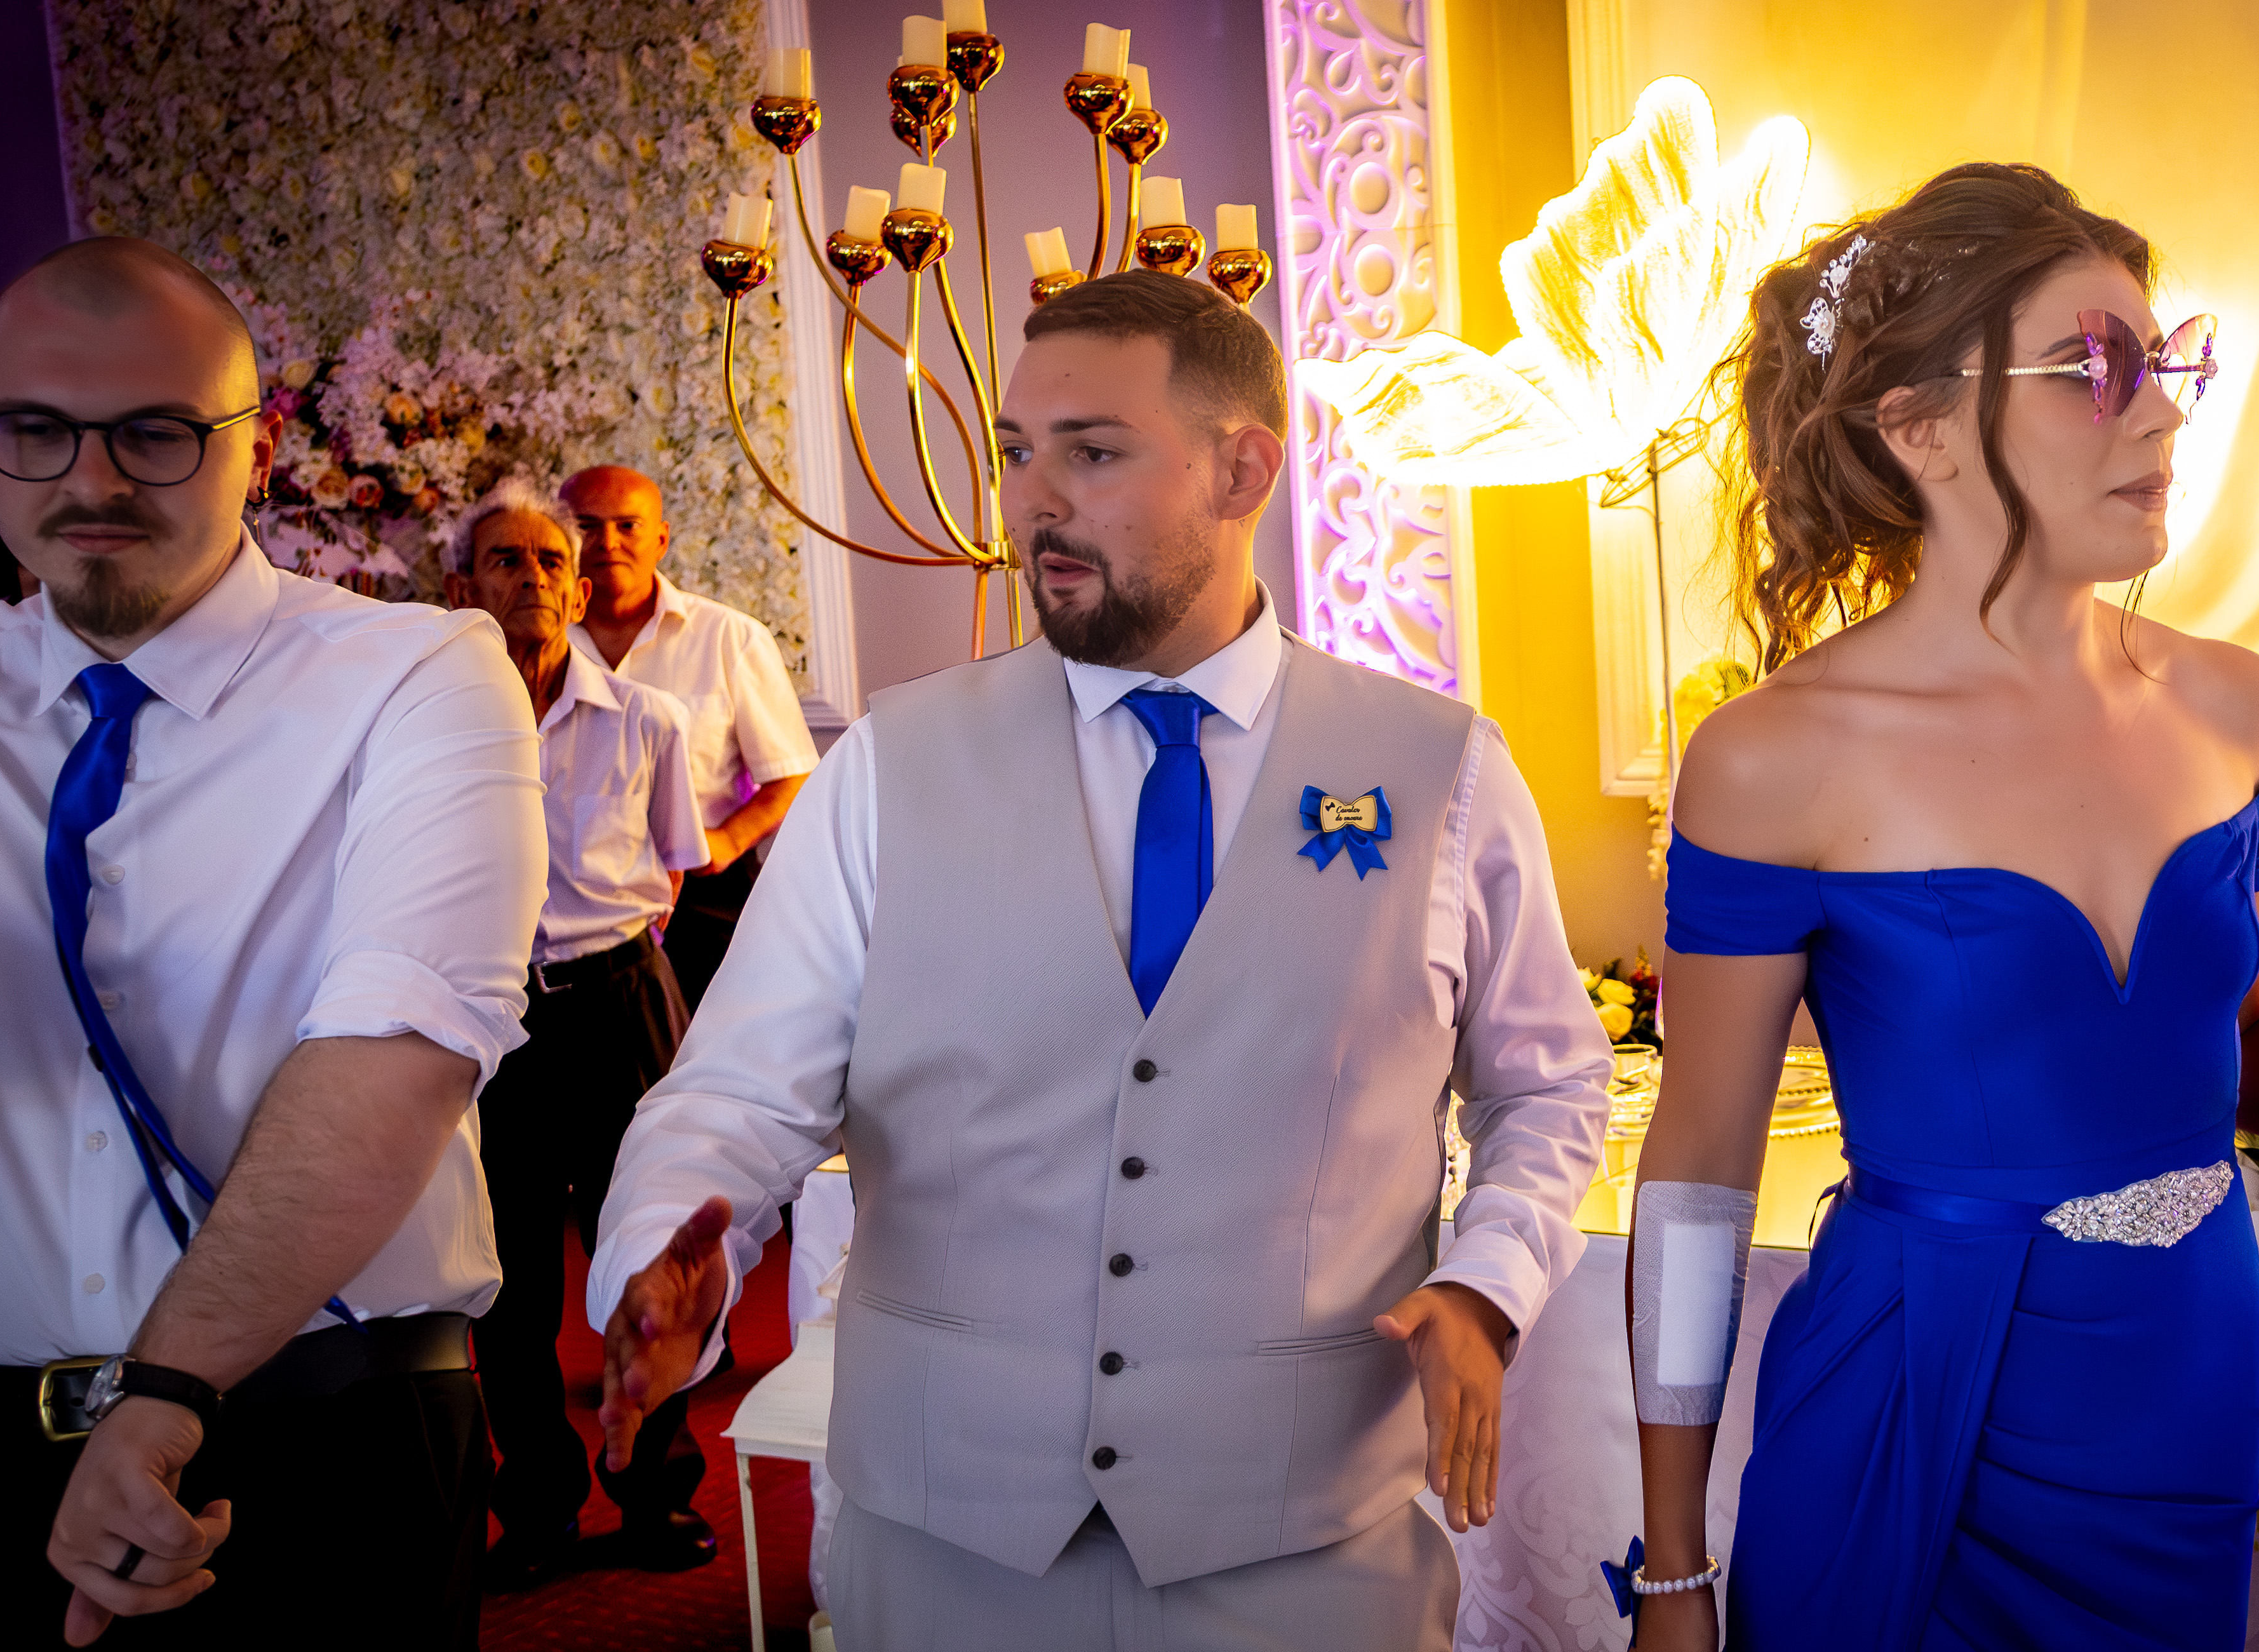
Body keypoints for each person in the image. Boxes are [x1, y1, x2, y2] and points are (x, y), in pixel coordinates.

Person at [1623, 164, 2259, 1650]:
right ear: (1917, 428)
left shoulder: (2228, 705)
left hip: (2179, 1383)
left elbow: (2238, 1051)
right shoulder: (1775, 754)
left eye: (2167, 365)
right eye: (2094, 369)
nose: (2160, 414)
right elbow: (1699, 1174)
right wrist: (1671, 1571)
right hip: (1919, 1393)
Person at [589, 271, 1611, 1651]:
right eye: (1019, 453)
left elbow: (1547, 1086)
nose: (1035, 502)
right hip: (946, 1544)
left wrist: (1489, 1280)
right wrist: (659, 1247)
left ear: (1244, 470)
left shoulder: (1443, 771)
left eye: (1095, 452)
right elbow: (738, 1091)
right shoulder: (888, 767)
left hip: (1307, 1546)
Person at [0, 237, 544, 1648]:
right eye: (35, 429)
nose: (92, 481)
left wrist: (166, 1394)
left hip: (325, 1435)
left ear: (255, 446)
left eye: (155, 432)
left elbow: (397, 1051)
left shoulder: (417, 673)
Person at [439, 479, 719, 1589]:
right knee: (509, 1284)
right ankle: (538, 1506)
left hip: (620, 1004)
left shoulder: (649, 719)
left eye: (551, 561)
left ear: (578, 586)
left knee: (646, 1253)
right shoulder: (432, 726)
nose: (535, 579)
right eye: (506, 560)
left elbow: (675, 867)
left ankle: (656, 1490)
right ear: (463, 588)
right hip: (493, 1015)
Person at [561, 463, 816, 1009]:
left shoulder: (729, 637)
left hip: (707, 896)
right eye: (587, 526)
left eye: (627, 526)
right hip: (574, 899)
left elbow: (792, 775)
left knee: (716, 1046)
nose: (608, 543)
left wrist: (724, 844)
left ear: (661, 538)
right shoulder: (539, 645)